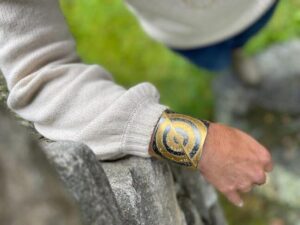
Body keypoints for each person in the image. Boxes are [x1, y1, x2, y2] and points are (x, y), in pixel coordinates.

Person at [0, 0, 273, 208]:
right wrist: (201, 143)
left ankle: (238, 49)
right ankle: (233, 56)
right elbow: (41, 78)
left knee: (245, 34)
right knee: (218, 58)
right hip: (192, 34)